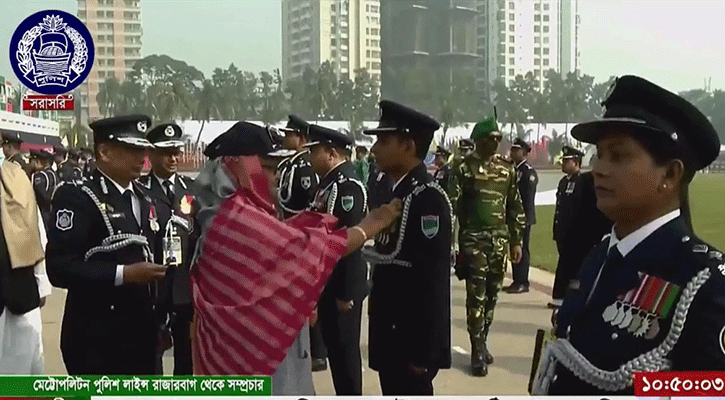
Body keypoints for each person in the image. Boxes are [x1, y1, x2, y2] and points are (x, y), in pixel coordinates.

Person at [533, 75, 725, 394]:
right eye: (599, 154)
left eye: (619, 156)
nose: (599, 168)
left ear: (671, 174)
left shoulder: (704, 286)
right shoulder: (600, 256)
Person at [190, 121, 401, 395]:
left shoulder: (234, 212)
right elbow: (303, 249)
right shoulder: (236, 218)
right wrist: (370, 225)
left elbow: (281, 247)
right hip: (256, 361)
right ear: (244, 168)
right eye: (269, 167)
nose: (276, 177)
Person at [46, 115, 167, 374]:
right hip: (97, 339)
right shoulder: (78, 196)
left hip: (142, 335)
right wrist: (123, 274)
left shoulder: (145, 198)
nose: (141, 157)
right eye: (133, 149)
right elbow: (59, 268)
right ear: (105, 151)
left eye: (143, 149)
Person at [362, 100, 452, 395]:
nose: (375, 148)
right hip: (391, 333)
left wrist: (423, 350)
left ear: (408, 145)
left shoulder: (427, 199)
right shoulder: (397, 191)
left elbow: (432, 280)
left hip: (409, 341)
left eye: (383, 140)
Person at [449, 115, 525, 377]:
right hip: (474, 241)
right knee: (476, 295)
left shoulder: (507, 169)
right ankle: (477, 350)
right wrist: (452, 246)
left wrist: (517, 241)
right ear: (478, 140)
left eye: (497, 139)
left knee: (492, 294)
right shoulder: (463, 168)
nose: (494, 144)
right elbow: (452, 209)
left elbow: (515, 206)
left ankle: (483, 339)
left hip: (499, 241)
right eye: (489, 139)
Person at [306, 124, 368, 395]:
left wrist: (345, 292)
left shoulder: (347, 187)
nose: (310, 157)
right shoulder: (328, 184)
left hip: (343, 288)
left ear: (331, 153)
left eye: (314, 151)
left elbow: (350, 242)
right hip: (328, 284)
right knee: (335, 353)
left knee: (345, 356)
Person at [138, 123, 199, 376]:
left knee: (187, 356)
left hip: (185, 283)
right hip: (154, 283)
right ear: (150, 154)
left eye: (176, 152)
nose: (174, 158)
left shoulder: (191, 190)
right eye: (167, 153)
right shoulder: (140, 190)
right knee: (151, 353)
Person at [0, 156, 51, 373]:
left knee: (18, 373)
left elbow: (35, 233)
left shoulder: (16, 178)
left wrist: (41, 283)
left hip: (18, 293)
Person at [550, 145, 612, 308]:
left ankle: (568, 298)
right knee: (565, 265)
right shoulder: (564, 182)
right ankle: (561, 296)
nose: (563, 164)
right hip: (564, 234)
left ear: (576, 162)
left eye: (567, 161)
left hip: (577, 235)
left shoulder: (583, 182)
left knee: (574, 268)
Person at [505, 138, 538, 294]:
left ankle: (523, 281)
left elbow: (526, 197)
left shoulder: (527, 172)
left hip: (523, 217)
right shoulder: (514, 169)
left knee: (522, 248)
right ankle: (516, 279)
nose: (512, 153)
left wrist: (521, 217)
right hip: (514, 216)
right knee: (514, 246)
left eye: (516, 150)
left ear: (524, 153)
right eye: (512, 150)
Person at [29, 149, 58, 227]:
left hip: (43, 211)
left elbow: (40, 194)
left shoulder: (40, 175)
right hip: (52, 211)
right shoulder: (54, 173)